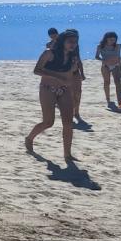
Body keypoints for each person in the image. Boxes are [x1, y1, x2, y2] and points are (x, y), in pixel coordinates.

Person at [25, 28, 81, 164]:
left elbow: (70, 75)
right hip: (47, 89)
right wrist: (57, 76)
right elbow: (36, 70)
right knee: (48, 122)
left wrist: (73, 79)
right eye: (70, 41)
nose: (73, 44)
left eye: (75, 42)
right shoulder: (49, 54)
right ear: (62, 41)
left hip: (65, 90)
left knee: (68, 123)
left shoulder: (73, 56)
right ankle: (30, 138)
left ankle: (67, 154)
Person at [95, 31, 121, 108]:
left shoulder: (118, 46)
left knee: (118, 83)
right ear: (106, 39)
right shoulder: (100, 46)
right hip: (105, 65)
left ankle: (119, 100)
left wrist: (120, 67)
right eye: (111, 40)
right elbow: (96, 56)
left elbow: (119, 57)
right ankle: (108, 100)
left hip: (116, 65)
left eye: (114, 40)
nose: (112, 41)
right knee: (107, 82)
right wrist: (103, 60)